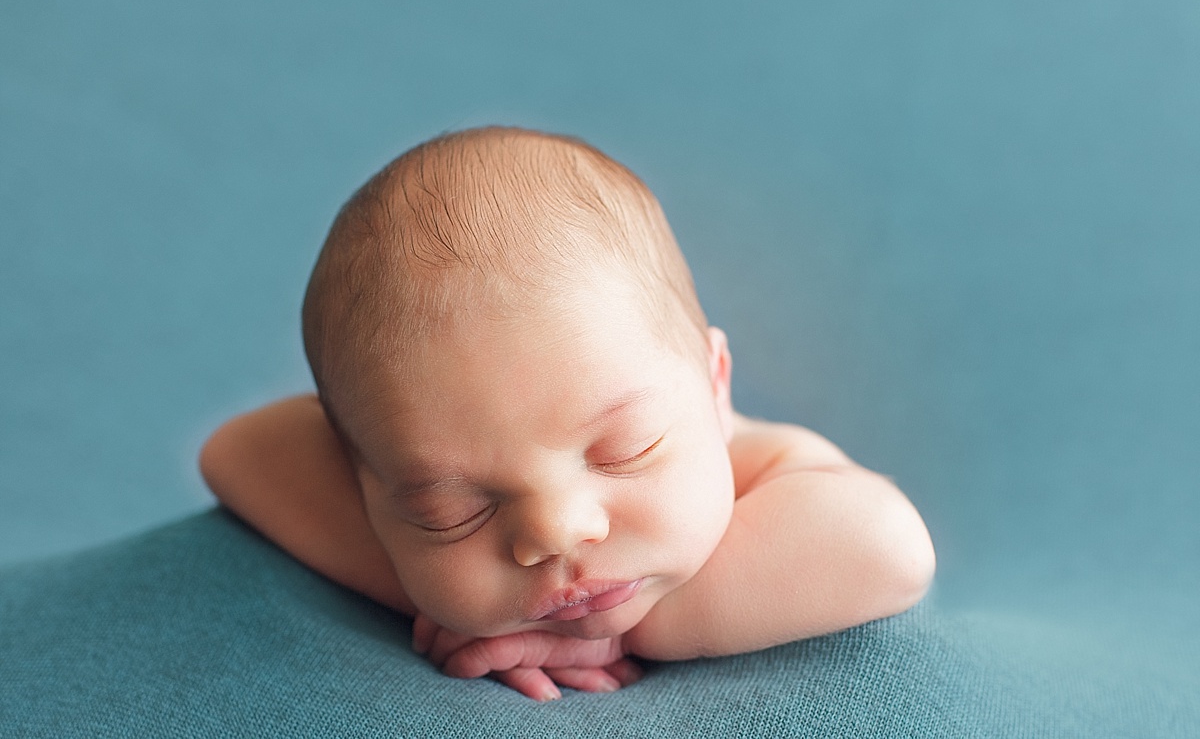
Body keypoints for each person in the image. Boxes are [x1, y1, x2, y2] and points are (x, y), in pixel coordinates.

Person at [199, 126, 936, 702]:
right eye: (453, 511)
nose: (555, 531)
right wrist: (465, 601)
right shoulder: (387, 469)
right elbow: (238, 452)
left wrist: (615, 636)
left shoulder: (770, 468)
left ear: (714, 383)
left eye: (623, 450)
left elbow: (890, 549)